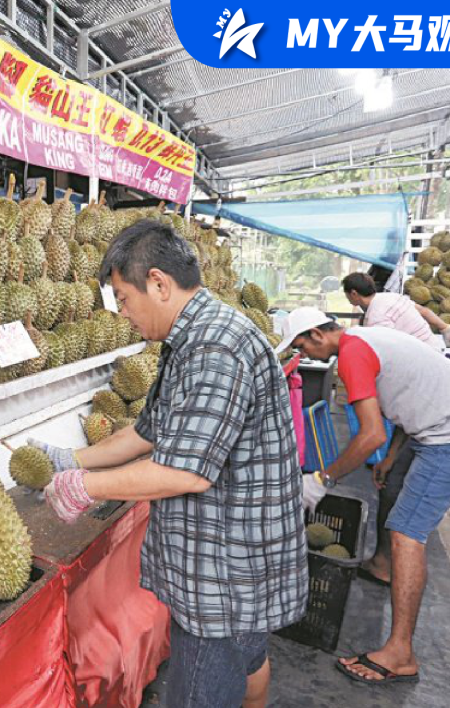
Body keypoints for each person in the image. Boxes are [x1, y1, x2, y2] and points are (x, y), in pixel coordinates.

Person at [32, 220, 308, 708]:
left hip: (225, 578)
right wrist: (69, 460)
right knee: (248, 662)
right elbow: (145, 434)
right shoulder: (190, 340)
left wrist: (87, 487)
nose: (122, 313)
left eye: (122, 298)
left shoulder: (215, 347)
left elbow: (186, 471)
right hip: (236, 566)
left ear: (158, 283)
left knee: (201, 691)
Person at [277, 309, 450, 686]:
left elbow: (370, 436)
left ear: (316, 334)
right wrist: (394, 459)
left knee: (406, 533)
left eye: (302, 347)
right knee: (392, 487)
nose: (306, 357)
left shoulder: (353, 353)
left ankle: (400, 653)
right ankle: (382, 565)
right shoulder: (366, 340)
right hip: (432, 430)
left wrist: (322, 478)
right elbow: (405, 400)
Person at [340, 271, 450, 585]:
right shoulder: (390, 299)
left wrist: (326, 477)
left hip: (440, 415)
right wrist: (446, 328)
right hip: (427, 398)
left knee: (398, 495)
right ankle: (385, 561)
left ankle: (387, 565)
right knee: (394, 479)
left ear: (353, 296)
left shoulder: (376, 326)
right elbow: (422, 311)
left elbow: (376, 430)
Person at [341, 272, 450, 349]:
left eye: (346, 294)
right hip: (434, 347)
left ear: (354, 293)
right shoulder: (392, 296)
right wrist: (446, 329)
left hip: (421, 358)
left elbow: (389, 348)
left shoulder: (376, 316)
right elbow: (424, 311)